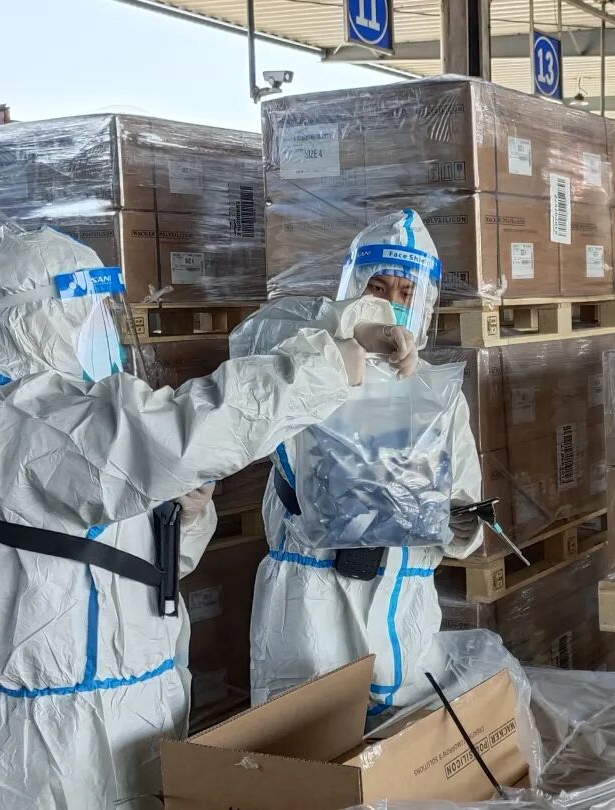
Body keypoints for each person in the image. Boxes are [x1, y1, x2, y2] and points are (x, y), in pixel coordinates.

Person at [0, 226, 414, 809]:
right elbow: (184, 434)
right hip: (61, 747)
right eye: (93, 312)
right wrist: (329, 361)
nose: (105, 329)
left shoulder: (53, 411)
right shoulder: (22, 422)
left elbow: (120, 564)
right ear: (44, 316)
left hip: (125, 712)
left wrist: (187, 518)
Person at [230, 209, 484, 715]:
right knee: (309, 745)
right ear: (353, 289)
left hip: (405, 605)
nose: (392, 305)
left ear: (427, 302)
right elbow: (250, 338)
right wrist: (351, 329)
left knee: (402, 754)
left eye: (407, 293)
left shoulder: (437, 394)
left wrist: (460, 521)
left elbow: (464, 501)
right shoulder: (309, 364)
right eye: (377, 288)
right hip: (311, 602)